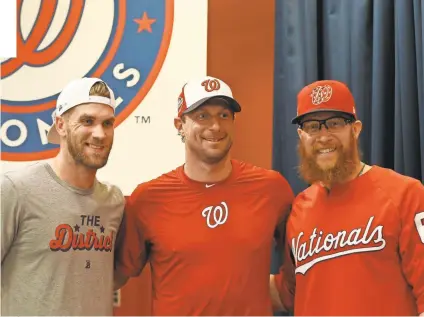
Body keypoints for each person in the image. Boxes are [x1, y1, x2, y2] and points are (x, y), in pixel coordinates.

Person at [114, 76, 294, 315]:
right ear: (180, 125)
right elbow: (115, 276)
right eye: (202, 116)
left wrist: (278, 292)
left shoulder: (271, 189)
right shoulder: (148, 199)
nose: (216, 126)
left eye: (224, 115)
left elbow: (302, 261)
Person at [270, 80, 424, 316]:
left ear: (355, 129)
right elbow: (289, 291)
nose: (323, 136)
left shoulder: (405, 194)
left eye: (334, 123)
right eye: (312, 126)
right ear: (301, 136)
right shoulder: (300, 208)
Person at [1, 77, 125, 316]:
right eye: (87, 121)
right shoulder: (15, 190)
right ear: (60, 125)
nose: (99, 134)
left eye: (107, 123)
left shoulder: (113, 202)